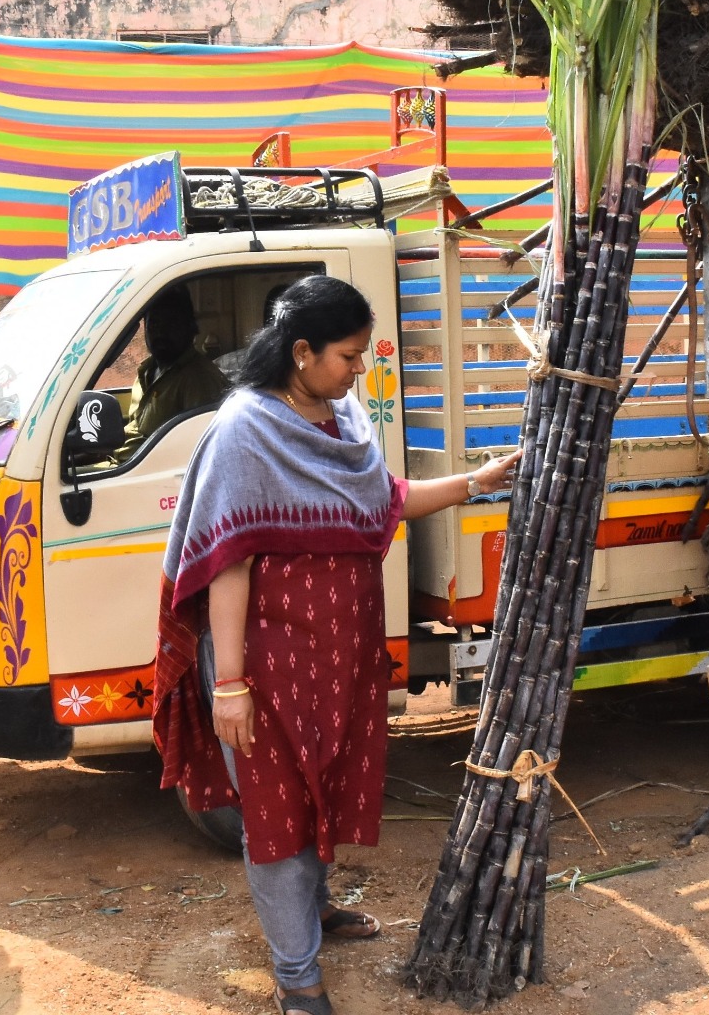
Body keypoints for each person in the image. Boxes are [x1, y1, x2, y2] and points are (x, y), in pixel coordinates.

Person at [153, 275, 519, 1015]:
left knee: (322, 790)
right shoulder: (245, 430)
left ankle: (314, 914)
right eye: (350, 356)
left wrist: (476, 482)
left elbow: (385, 498)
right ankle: (298, 981)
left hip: (340, 661)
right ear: (301, 352)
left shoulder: (343, 420)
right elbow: (228, 562)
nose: (360, 370)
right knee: (277, 816)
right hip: (266, 668)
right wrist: (229, 684)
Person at [114, 284, 231, 464]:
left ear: (191, 328)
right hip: (121, 463)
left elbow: (200, 453)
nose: (160, 332)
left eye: (171, 324)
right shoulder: (147, 370)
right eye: (154, 324)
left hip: (147, 475)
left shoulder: (199, 379)